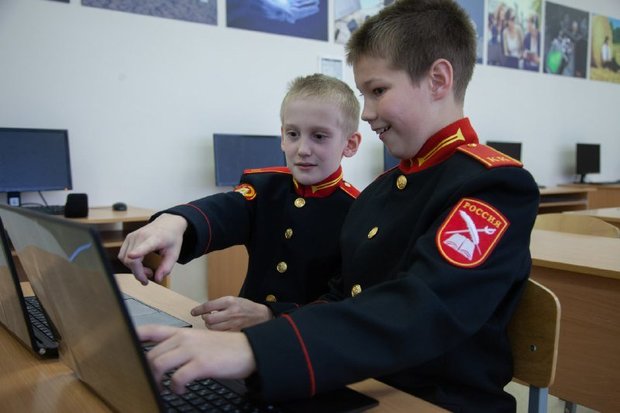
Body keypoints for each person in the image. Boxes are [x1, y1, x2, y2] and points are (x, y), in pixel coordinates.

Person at [137, 1, 540, 411]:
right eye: (364, 95)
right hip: (363, 384)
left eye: (378, 91)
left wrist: (256, 349)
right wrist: (269, 327)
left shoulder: (492, 185)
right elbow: (346, 297)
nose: (367, 113)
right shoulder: (380, 192)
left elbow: (424, 308)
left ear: (438, 80)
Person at [119, 73, 362, 331]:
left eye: (319, 136)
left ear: (350, 144)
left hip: (308, 342)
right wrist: (176, 221)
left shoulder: (357, 212)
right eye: (293, 134)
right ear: (282, 136)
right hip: (244, 336)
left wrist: (272, 315)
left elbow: (344, 305)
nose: (302, 149)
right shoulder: (266, 189)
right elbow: (225, 211)